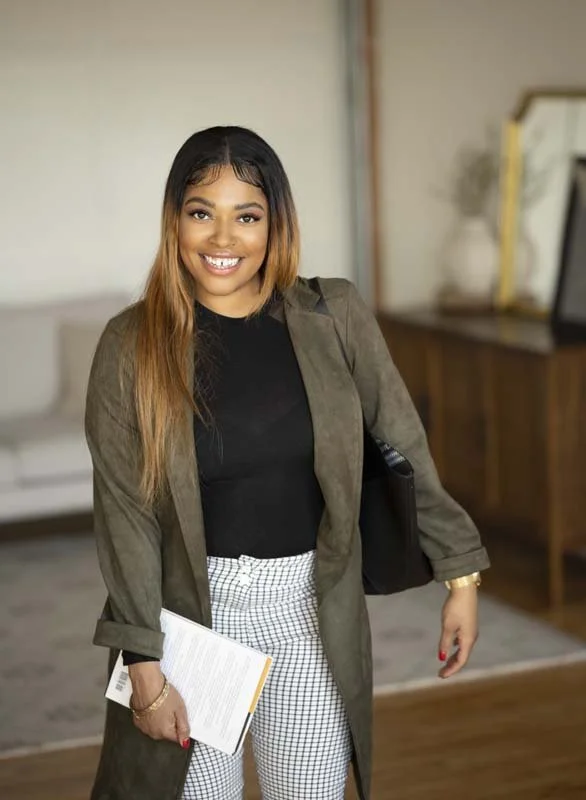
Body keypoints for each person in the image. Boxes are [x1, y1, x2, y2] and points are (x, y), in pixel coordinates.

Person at [85, 125, 490, 800]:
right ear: (174, 221)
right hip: (192, 623)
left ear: (275, 223)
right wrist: (144, 665)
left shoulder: (333, 315)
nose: (222, 240)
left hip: (311, 612)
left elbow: (403, 445)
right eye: (200, 214)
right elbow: (124, 517)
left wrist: (462, 576)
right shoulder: (130, 344)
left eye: (246, 216)